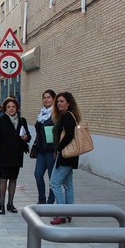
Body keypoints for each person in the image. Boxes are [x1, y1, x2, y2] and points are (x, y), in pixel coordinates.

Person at [0, 97, 31, 214]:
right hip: (3, 155)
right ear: (5, 109)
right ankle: (1, 204)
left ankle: (10, 204)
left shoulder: (22, 120)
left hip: (17, 155)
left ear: (17, 108)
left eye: (13, 107)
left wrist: (26, 137)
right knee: (3, 179)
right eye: (9, 107)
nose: (11, 109)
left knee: (13, 179)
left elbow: (27, 135)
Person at [49, 92, 81, 225]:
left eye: (62, 101)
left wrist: (58, 149)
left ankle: (61, 213)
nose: (59, 104)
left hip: (66, 155)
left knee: (54, 183)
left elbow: (69, 136)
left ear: (69, 103)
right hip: (70, 155)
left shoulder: (67, 116)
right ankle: (68, 213)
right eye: (58, 101)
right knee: (68, 185)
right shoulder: (66, 115)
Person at [33, 89, 57, 204]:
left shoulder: (56, 114)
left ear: (53, 99)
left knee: (52, 178)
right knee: (38, 175)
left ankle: (50, 201)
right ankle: (41, 200)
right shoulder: (41, 113)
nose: (46, 99)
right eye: (44, 97)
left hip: (51, 150)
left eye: (48, 97)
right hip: (41, 150)